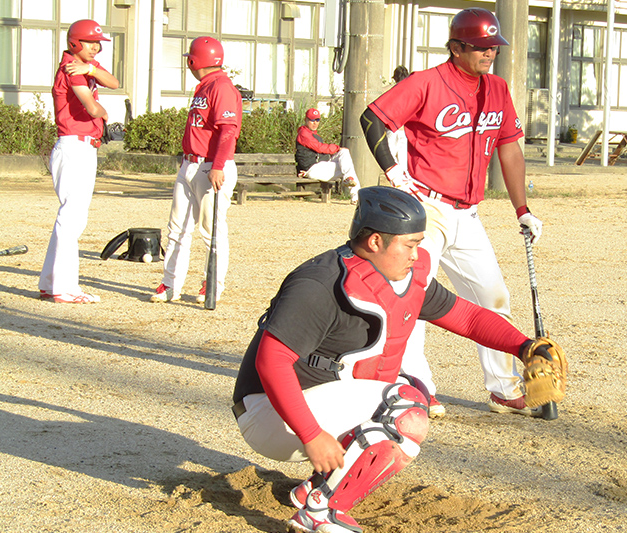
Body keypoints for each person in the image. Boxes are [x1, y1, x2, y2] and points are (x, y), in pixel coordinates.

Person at [232, 186, 541, 533]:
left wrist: (525, 347)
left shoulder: (396, 277)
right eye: (409, 244)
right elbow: (271, 362)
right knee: (404, 409)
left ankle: (318, 489)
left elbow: (467, 318)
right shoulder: (319, 282)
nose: (416, 254)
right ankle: (322, 513)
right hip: (269, 412)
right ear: (376, 242)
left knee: (412, 389)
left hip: (308, 402)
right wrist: (312, 434)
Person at [360, 8, 544, 418]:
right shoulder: (426, 82)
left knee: (493, 297)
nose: (488, 53)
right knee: (415, 293)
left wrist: (522, 209)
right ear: (456, 47)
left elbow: (509, 148)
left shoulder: (497, 88)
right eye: (479, 46)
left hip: (469, 214)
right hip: (427, 208)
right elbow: (371, 118)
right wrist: (393, 170)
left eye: (493, 46)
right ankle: (416, 385)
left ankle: (503, 387)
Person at [150, 37, 242, 304]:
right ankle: (170, 284)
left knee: (211, 230)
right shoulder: (204, 87)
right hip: (190, 163)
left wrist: (218, 165)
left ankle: (212, 283)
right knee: (177, 228)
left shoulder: (222, 87)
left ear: (195, 60)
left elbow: (228, 131)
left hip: (212, 166)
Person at [39, 19, 119, 304]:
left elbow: (115, 82)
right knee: (72, 217)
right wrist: (105, 114)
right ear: (75, 43)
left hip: (80, 147)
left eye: (98, 43)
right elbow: (91, 106)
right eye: (90, 42)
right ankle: (65, 287)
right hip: (74, 146)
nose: (95, 47)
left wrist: (92, 68)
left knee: (70, 216)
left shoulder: (84, 67)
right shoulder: (72, 68)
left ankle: (51, 283)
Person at [295, 108, 361, 203]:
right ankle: (355, 196)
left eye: (317, 120)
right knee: (348, 167)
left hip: (321, 166)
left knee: (345, 153)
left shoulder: (311, 133)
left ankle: (351, 188)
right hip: (312, 169)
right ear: (306, 120)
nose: (315, 123)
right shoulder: (304, 134)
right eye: (312, 120)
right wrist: (337, 148)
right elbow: (320, 148)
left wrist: (339, 150)